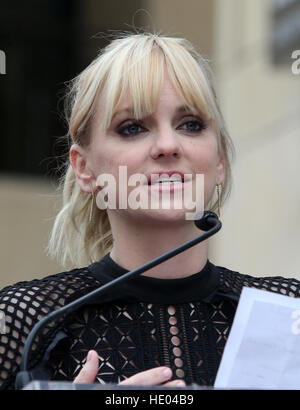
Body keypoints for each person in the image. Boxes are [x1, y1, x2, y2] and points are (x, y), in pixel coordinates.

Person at [1, 32, 300, 390]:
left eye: (190, 125)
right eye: (132, 128)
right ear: (84, 168)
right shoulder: (21, 323)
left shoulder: (290, 312)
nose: (168, 145)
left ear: (219, 158)